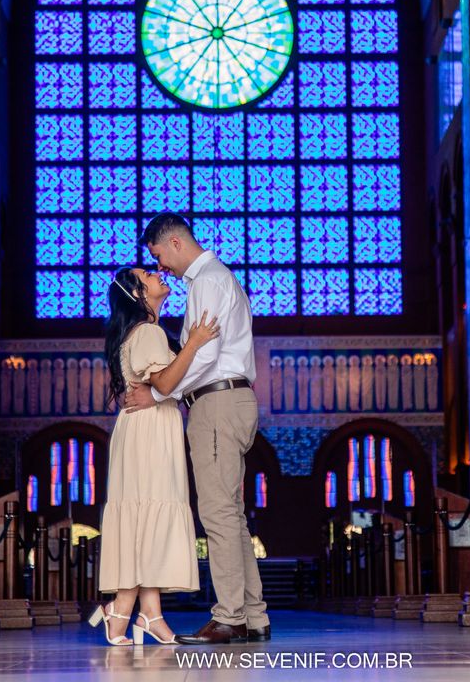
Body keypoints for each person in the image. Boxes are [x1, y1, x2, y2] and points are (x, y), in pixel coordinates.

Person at [126, 213, 270, 645]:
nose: (161, 267)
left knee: (218, 514)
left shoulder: (207, 280)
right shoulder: (217, 277)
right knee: (231, 514)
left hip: (216, 402)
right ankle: (253, 614)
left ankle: (229, 616)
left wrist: (159, 394)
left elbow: (202, 356)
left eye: (158, 257)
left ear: (173, 242)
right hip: (232, 401)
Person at [89, 266, 219, 646]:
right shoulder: (147, 332)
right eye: (148, 274)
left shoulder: (145, 332)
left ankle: (147, 612)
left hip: (149, 425)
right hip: (149, 431)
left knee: (147, 515)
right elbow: (164, 382)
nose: (159, 274)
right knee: (149, 513)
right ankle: (124, 609)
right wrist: (193, 343)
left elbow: (161, 386)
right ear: (137, 293)